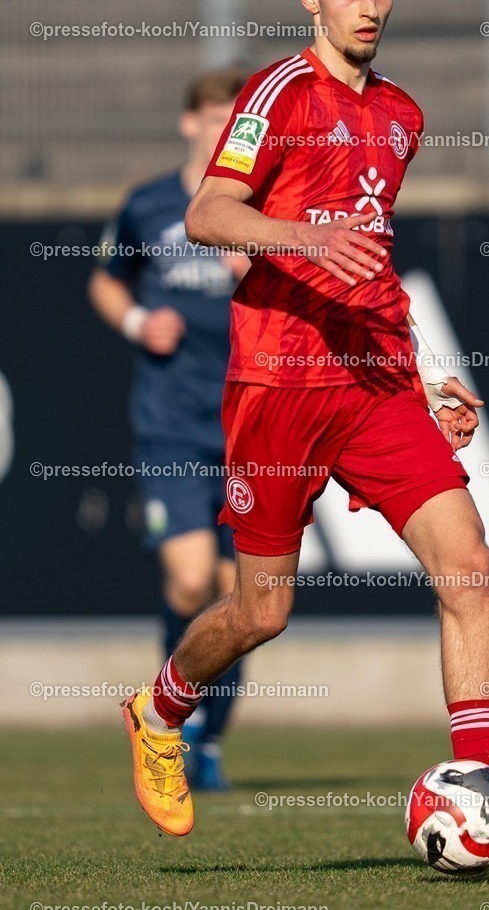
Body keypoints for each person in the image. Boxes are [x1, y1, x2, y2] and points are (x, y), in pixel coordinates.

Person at [122, 0, 489, 860]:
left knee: (469, 568)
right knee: (261, 612)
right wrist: (304, 236)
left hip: (371, 383)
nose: (367, 8)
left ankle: (482, 793)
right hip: (277, 385)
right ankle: (158, 713)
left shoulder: (401, 115)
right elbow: (209, 212)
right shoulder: (278, 93)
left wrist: (426, 373)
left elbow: (369, 268)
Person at [90, 67, 250, 790]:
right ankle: (165, 718)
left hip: (251, 429)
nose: (224, 134)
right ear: (190, 123)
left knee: (241, 600)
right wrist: (135, 321)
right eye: (215, 119)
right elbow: (106, 278)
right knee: (190, 583)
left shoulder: (262, 210)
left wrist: (257, 269)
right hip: (173, 428)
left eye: (238, 124)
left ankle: (207, 742)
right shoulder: (149, 204)